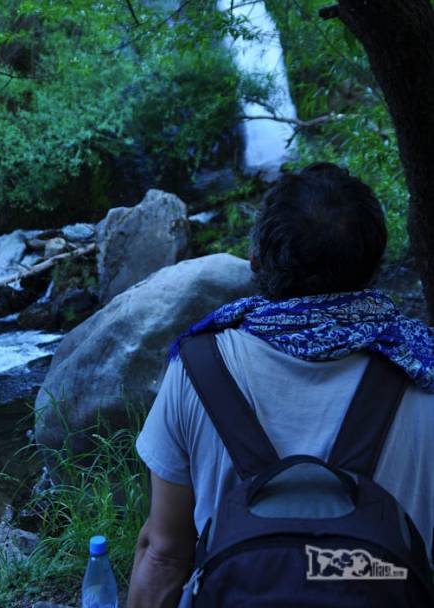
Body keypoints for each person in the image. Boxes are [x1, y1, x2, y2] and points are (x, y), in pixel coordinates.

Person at [127, 162, 434, 608]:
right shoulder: (421, 368)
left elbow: (164, 554)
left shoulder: (198, 368)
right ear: (375, 265)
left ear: (257, 262)